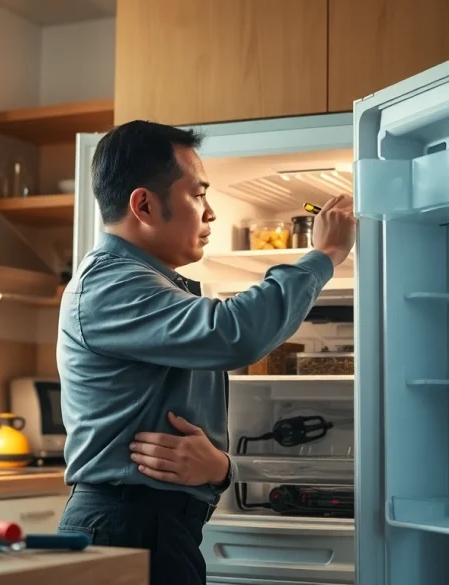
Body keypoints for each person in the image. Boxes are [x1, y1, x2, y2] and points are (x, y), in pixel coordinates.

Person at [55, 120, 356, 584]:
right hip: (126, 527)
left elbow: (212, 361)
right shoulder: (110, 286)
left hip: (154, 526)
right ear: (144, 204)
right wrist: (324, 255)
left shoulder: (153, 285)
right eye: (198, 194)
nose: (211, 212)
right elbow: (234, 334)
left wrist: (221, 469)